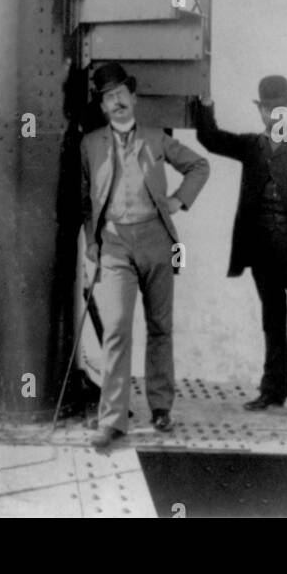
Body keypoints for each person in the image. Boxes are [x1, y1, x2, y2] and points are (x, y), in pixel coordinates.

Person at [193, 75, 287, 431]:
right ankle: (273, 392)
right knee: (272, 323)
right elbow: (210, 138)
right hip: (263, 256)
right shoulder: (251, 147)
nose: (275, 114)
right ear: (262, 112)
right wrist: (204, 106)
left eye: (281, 108)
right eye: (268, 109)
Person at [80, 62, 210, 451]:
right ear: (102, 107)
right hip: (115, 245)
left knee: (160, 326)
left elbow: (199, 166)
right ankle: (113, 420)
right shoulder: (89, 145)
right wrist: (92, 239)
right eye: (108, 97)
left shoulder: (156, 138)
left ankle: (161, 407)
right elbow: (83, 198)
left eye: (121, 94)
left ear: (133, 97)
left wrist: (178, 201)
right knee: (117, 328)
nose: (116, 102)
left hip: (157, 240)